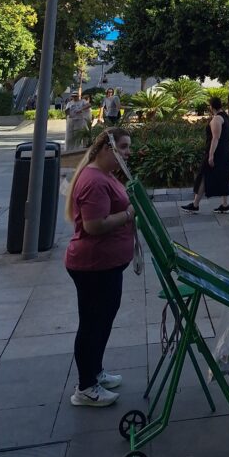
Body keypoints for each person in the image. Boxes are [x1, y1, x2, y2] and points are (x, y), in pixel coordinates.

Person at [64, 128, 135, 407]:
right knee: (93, 324)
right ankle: (86, 387)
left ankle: (94, 372)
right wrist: (128, 214)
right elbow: (94, 225)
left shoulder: (104, 175)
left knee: (101, 321)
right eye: (124, 147)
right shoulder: (94, 180)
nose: (128, 153)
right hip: (94, 265)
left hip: (105, 264)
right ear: (108, 148)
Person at [181, 96, 229, 214]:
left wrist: (211, 155)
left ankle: (195, 205)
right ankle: (225, 205)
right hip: (225, 151)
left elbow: (215, 138)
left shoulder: (217, 119)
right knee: (223, 176)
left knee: (203, 175)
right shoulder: (225, 117)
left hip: (217, 152)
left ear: (211, 107)